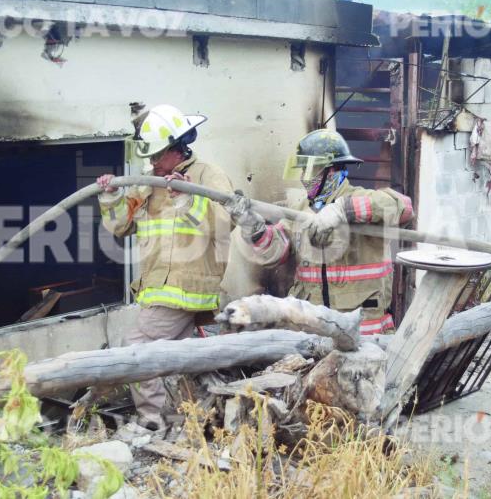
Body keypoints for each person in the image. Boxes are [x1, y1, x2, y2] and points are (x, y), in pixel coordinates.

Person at [96, 104, 233, 430]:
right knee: (174, 360)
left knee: (138, 348)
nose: (153, 162)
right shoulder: (149, 183)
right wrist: (111, 197)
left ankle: (153, 422)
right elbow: (121, 227)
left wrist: (187, 197)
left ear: (176, 148)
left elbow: (226, 223)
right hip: (158, 287)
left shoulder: (206, 175)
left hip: (187, 285)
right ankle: (187, 420)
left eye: (158, 155)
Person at [224, 129, 414, 335]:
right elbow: (275, 251)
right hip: (312, 329)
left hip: (363, 332)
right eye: (302, 170)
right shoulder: (300, 210)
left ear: (332, 171)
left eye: (310, 170)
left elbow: (404, 207)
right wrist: (251, 225)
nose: (305, 179)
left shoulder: (362, 199)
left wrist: (345, 209)